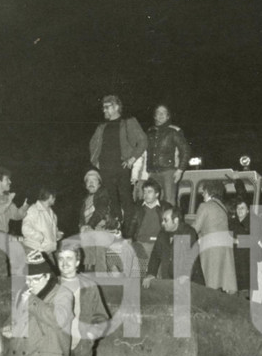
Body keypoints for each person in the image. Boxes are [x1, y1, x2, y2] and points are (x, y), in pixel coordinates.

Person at [89, 94, 147, 233]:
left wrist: (132, 159)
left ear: (116, 107)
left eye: (107, 107)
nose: (104, 111)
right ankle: (116, 229)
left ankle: (130, 232)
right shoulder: (102, 126)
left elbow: (143, 141)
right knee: (111, 200)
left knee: (126, 198)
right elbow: (92, 144)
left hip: (122, 167)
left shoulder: (128, 122)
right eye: (103, 108)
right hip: (105, 168)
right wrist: (95, 161)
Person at [193, 180, 237, 294]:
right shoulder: (222, 207)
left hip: (211, 248)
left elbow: (195, 228)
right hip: (224, 247)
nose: (202, 194)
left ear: (209, 192)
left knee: (210, 282)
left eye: (203, 192)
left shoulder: (205, 206)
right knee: (223, 281)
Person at [143, 206, 205, 287]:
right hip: (170, 281)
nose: (162, 223)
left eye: (166, 220)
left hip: (191, 281)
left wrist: (185, 275)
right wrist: (151, 273)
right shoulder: (163, 233)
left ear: (176, 220)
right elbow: (155, 255)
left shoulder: (188, 232)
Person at [145, 104, 191, 205]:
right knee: (151, 202)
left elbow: (186, 150)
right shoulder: (150, 132)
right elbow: (145, 152)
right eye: (158, 113)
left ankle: (171, 220)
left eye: (163, 113)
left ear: (168, 116)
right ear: (154, 116)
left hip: (169, 172)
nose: (160, 115)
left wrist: (180, 170)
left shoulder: (174, 131)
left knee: (169, 202)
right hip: (152, 173)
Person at [126, 178, 171, 276]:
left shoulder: (165, 207)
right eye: (144, 192)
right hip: (141, 244)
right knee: (138, 275)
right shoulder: (137, 207)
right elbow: (132, 224)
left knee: (155, 277)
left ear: (157, 194)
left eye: (149, 192)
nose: (145, 195)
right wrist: (129, 237)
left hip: (158, 246)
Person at [77, 169, 118, 274]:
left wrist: (89, 225)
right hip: (90, 231)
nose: (91, 183)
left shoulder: (103, 194)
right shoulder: (85, 199)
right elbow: (82, 218)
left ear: (99, 184)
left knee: (100, 253)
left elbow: (101, 209)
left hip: (102, 229)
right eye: (88, 181)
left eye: (94, 180)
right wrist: (82, 226)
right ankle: (90, 276)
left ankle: (102, 279)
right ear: (85, 185)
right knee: (88, 255)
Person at [21, 186, 63, 267]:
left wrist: (57, 234)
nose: (55, 199)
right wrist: (39, 237)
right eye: (54, 197)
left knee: (53, 276)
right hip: (35, 252)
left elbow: (51, 230)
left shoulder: (52, 214)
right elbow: (25, 229)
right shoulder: (33, 210)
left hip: (48, 252)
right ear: (50, 197)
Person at [229, 199, 252, 298]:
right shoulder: (233, 222)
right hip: (234, 259)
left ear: (248, 210)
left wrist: (236, 241)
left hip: (246, 261)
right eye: (238, 208)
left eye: (242, 208)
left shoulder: (253, 222)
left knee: (244, 290)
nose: (239, 210)